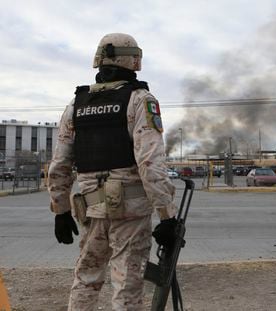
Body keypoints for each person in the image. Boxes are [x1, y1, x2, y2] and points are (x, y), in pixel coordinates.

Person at [48, 33, 177, 311]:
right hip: (130, 212)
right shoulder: (140, 99)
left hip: (91, 209)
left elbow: (59, 164)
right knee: (127, 284)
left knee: (86, 279)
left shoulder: (76, 106)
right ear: (131, 60)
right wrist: (167, 215)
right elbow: (150, 162)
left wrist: (60, 211)